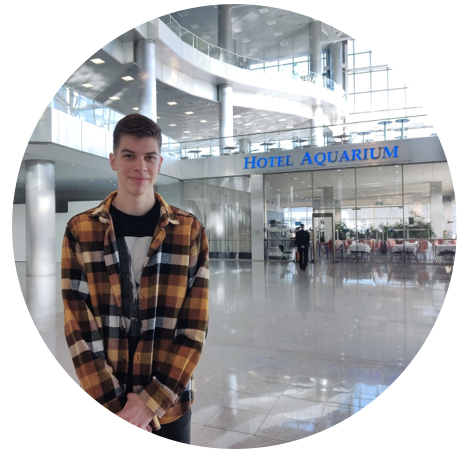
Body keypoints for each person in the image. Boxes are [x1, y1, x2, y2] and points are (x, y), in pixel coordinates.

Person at [61, 113, 209, 444]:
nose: (140, 167)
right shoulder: (81, 229)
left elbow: (194, 327)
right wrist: (118, 407)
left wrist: (149, 404)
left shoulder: (189, 230)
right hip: (105, 403)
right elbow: (78, 327)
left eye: (149, 157)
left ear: (160, 163)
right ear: (114, 160)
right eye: (129, 155)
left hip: (169, 405)